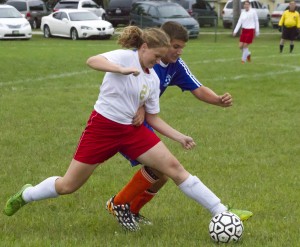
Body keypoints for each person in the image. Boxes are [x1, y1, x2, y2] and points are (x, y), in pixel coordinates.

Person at [2, 26, 245, 233]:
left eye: (161, 58)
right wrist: (118, 69)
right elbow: (92, 61)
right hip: (102, 128)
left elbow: (153, 118)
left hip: (132, 132)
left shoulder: (152, 78)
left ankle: (220, 211)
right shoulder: (124, 57)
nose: (158, 62)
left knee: (173, 169)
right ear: (144, 47)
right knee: (68, 186)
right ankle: (27, 194)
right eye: (156, 57)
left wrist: (179, 136)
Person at [106, 22, 253, 226]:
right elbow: (128, 84)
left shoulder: (176, 65)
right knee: (168, 169)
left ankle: (129, 210)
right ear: (163, 42)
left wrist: (217, 100)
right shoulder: (144, 58)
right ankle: (120, 204)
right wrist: (139, 107)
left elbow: (197, 88)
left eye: (182, 47)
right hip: (123, 123)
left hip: (144, 121)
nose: (179, 52)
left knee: (163, 174)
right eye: (175, 46)